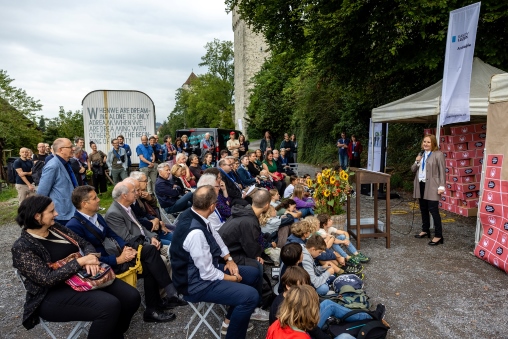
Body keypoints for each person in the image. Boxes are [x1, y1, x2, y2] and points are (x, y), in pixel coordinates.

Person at [12, 195, 141, 337]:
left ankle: (114, 333)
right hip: (52, 294)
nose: (57, 214)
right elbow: (47, 279)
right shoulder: (23, 246)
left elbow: (85, 243)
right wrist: (80, 262)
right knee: (109, 306)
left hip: (83, 277)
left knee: (131, 297)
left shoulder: (56, 228)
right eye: (51, 211)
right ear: (37, 216)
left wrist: (90, 258)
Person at [67, 185, 183, 323]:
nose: (99, 200)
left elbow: (112, 234)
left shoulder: (96, 216)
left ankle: (154, 308)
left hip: (117, 255)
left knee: (150, 257)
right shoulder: (73, 226)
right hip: (105, 266)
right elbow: (88, 259)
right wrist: (117, 259)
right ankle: (167, 296)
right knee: (150, 255)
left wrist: (125, 247)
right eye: (95, 198)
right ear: (84, 204)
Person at [170, 185, 261, 338]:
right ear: (212, 206)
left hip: (201, 271)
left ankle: (230, 320)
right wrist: (232, 279)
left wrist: (229, 259)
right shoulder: (196, 233)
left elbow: (215, 236)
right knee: (250, 296)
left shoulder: (193, 213)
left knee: (253, 273)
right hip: (194, 284)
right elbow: (207, 274)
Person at [104, 182, 188, 317]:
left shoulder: (127, 207)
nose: (136, 193)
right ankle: (167, 295)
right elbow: (126, 238)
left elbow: (141, 228)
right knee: (158, 259)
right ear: (124, 195)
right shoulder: (114, 213)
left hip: (145, 244)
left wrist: (153, 237)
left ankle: (169, 294)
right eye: (133, 191)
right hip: (133, 250)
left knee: (175, 251)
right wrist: (149, 241)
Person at [269, 266, 385, 339]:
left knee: (327, 304)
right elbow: (311, 327)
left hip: (294, 329)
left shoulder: (279, 319)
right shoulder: (285, 306)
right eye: (301, 285)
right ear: (288, 286)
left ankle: (370, 315)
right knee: (345, 337)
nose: (304, 287)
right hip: (303, 331)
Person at [218, 190, 272, 322]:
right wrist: (256, 255)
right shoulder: (249, 220)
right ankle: (254, 306)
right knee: (257, 267)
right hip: (225, 257)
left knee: (257, 262)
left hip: (228, 251)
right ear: (267, 206)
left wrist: (256, 254)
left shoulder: (244, 211)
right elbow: (250, 246)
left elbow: (248, 244)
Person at [412, 134, 445, 246]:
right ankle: (425, 230)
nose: (425, 144)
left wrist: (441, 186)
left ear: (433, 144)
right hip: (421, 184)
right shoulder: (421, 154)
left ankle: (438, 235)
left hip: (432, 186)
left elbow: (442, 171)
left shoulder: (438, 154)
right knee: (423, 209)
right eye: (424, 141)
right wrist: (417, 161)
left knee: (433, 210)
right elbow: (413, 169)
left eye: (428, 142)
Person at [37, 138, 78, 225]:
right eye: (70, 147)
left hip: (72, 210)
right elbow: (42, 193)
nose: (73, 149)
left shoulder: (67, 163)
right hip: (61, 214)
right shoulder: (53, 166)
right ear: (61, 150)